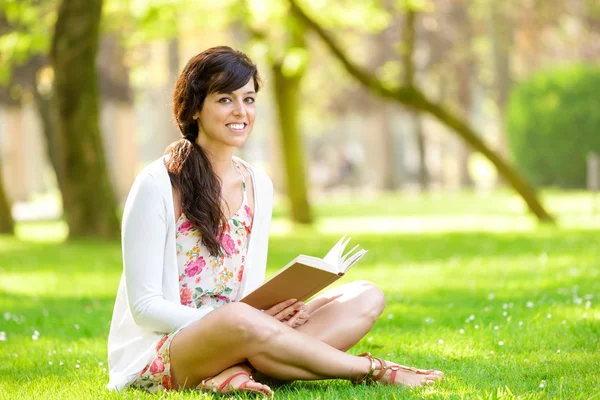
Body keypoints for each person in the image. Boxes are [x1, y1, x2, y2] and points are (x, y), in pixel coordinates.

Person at [107, 46, 443, 395]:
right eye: (225, 99)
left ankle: (234, 370)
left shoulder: (258, 185)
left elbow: (247, 295)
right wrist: (246, 320)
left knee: (365, 295)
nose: (241, 112)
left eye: (249, 99)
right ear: (194, 108)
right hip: (168, 350)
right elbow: (145, 308)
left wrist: (275, 313)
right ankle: (371, 369)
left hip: (247, 330)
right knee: (238, 318)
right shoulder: (156, 184)